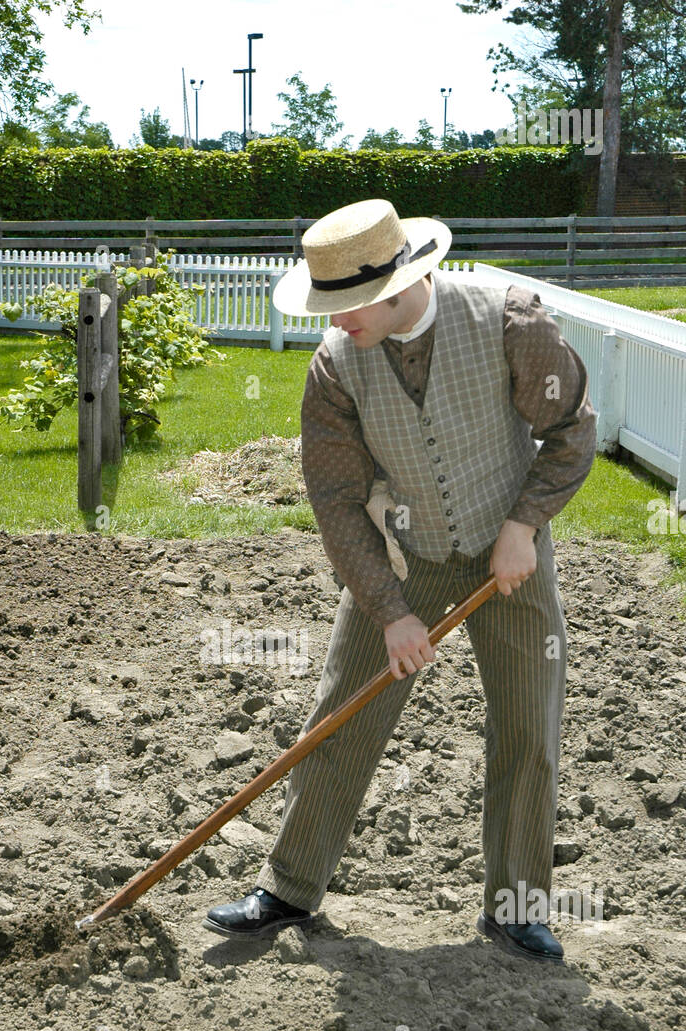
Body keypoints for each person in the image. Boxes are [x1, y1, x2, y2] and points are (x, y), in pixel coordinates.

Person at [205, 199, 597, 964]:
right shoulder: (336, 365)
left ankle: (516, 903)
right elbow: (338, 500)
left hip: (507, 552)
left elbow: (571, 428)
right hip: (405, 554)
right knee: (343, 712)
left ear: (394, 287)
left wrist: (524, 526)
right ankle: (290, 886)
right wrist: (389, 609)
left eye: (345, 306)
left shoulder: (512, 323)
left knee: (527, 725)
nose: (335, 320)